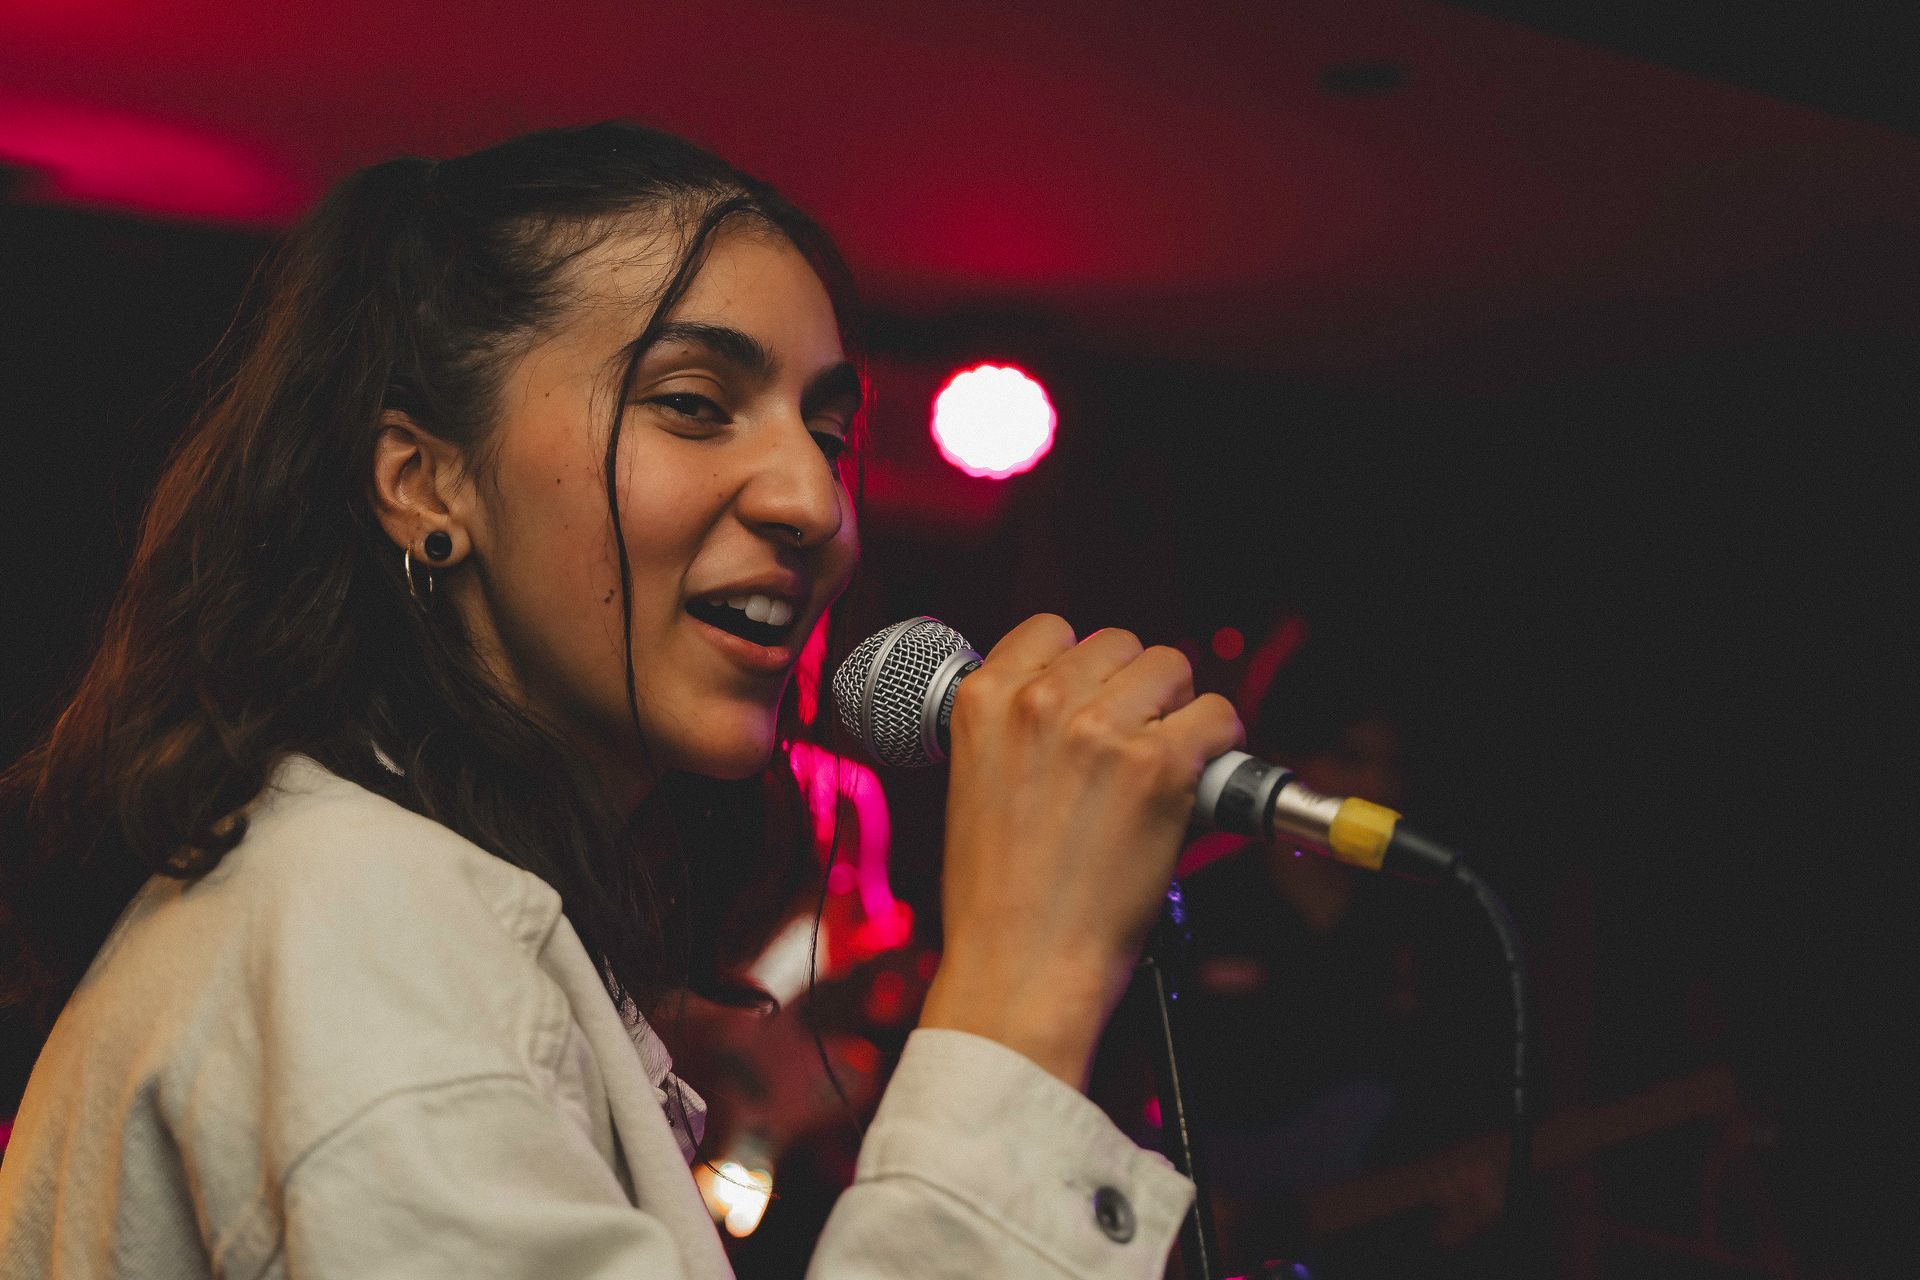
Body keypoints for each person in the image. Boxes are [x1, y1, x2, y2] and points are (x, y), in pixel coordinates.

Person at [0, 122, 1242, 1277]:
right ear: (426, 482)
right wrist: (1026, 981)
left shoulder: (399, 894)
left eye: (828, 430)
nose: (818, 504)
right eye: (694, 405)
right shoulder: (352, 913)